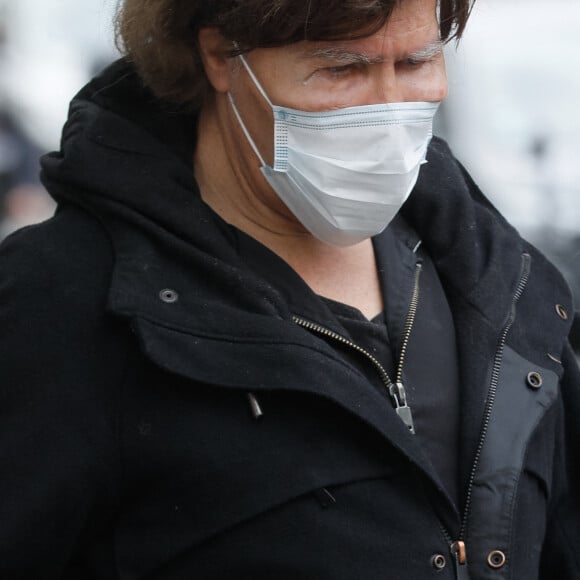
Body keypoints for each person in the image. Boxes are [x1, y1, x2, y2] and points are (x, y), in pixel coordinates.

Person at [1, 0, 579, 578]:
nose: (387, 106)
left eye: (415, 63)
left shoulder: (503, 277)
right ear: (220, 55)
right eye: (340, 69)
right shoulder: (66, 302)